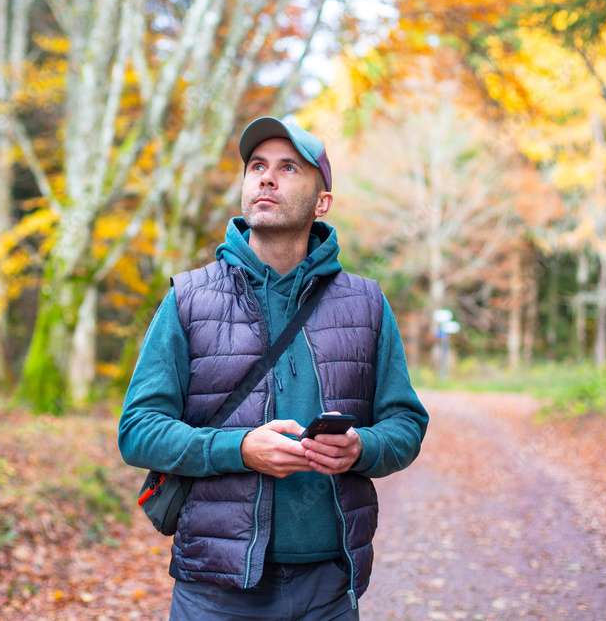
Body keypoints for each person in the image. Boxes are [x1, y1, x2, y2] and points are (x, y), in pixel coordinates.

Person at [118, 116, 428, 620]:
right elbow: (138, 431)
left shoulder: (367, 303)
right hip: (215, 587)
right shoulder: (189, 299)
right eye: (257, 166)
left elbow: (406, 424)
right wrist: (240, 449)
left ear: (321, 202)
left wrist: (362, 447)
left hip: (328, 585)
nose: (266, 177)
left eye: (288, 168)